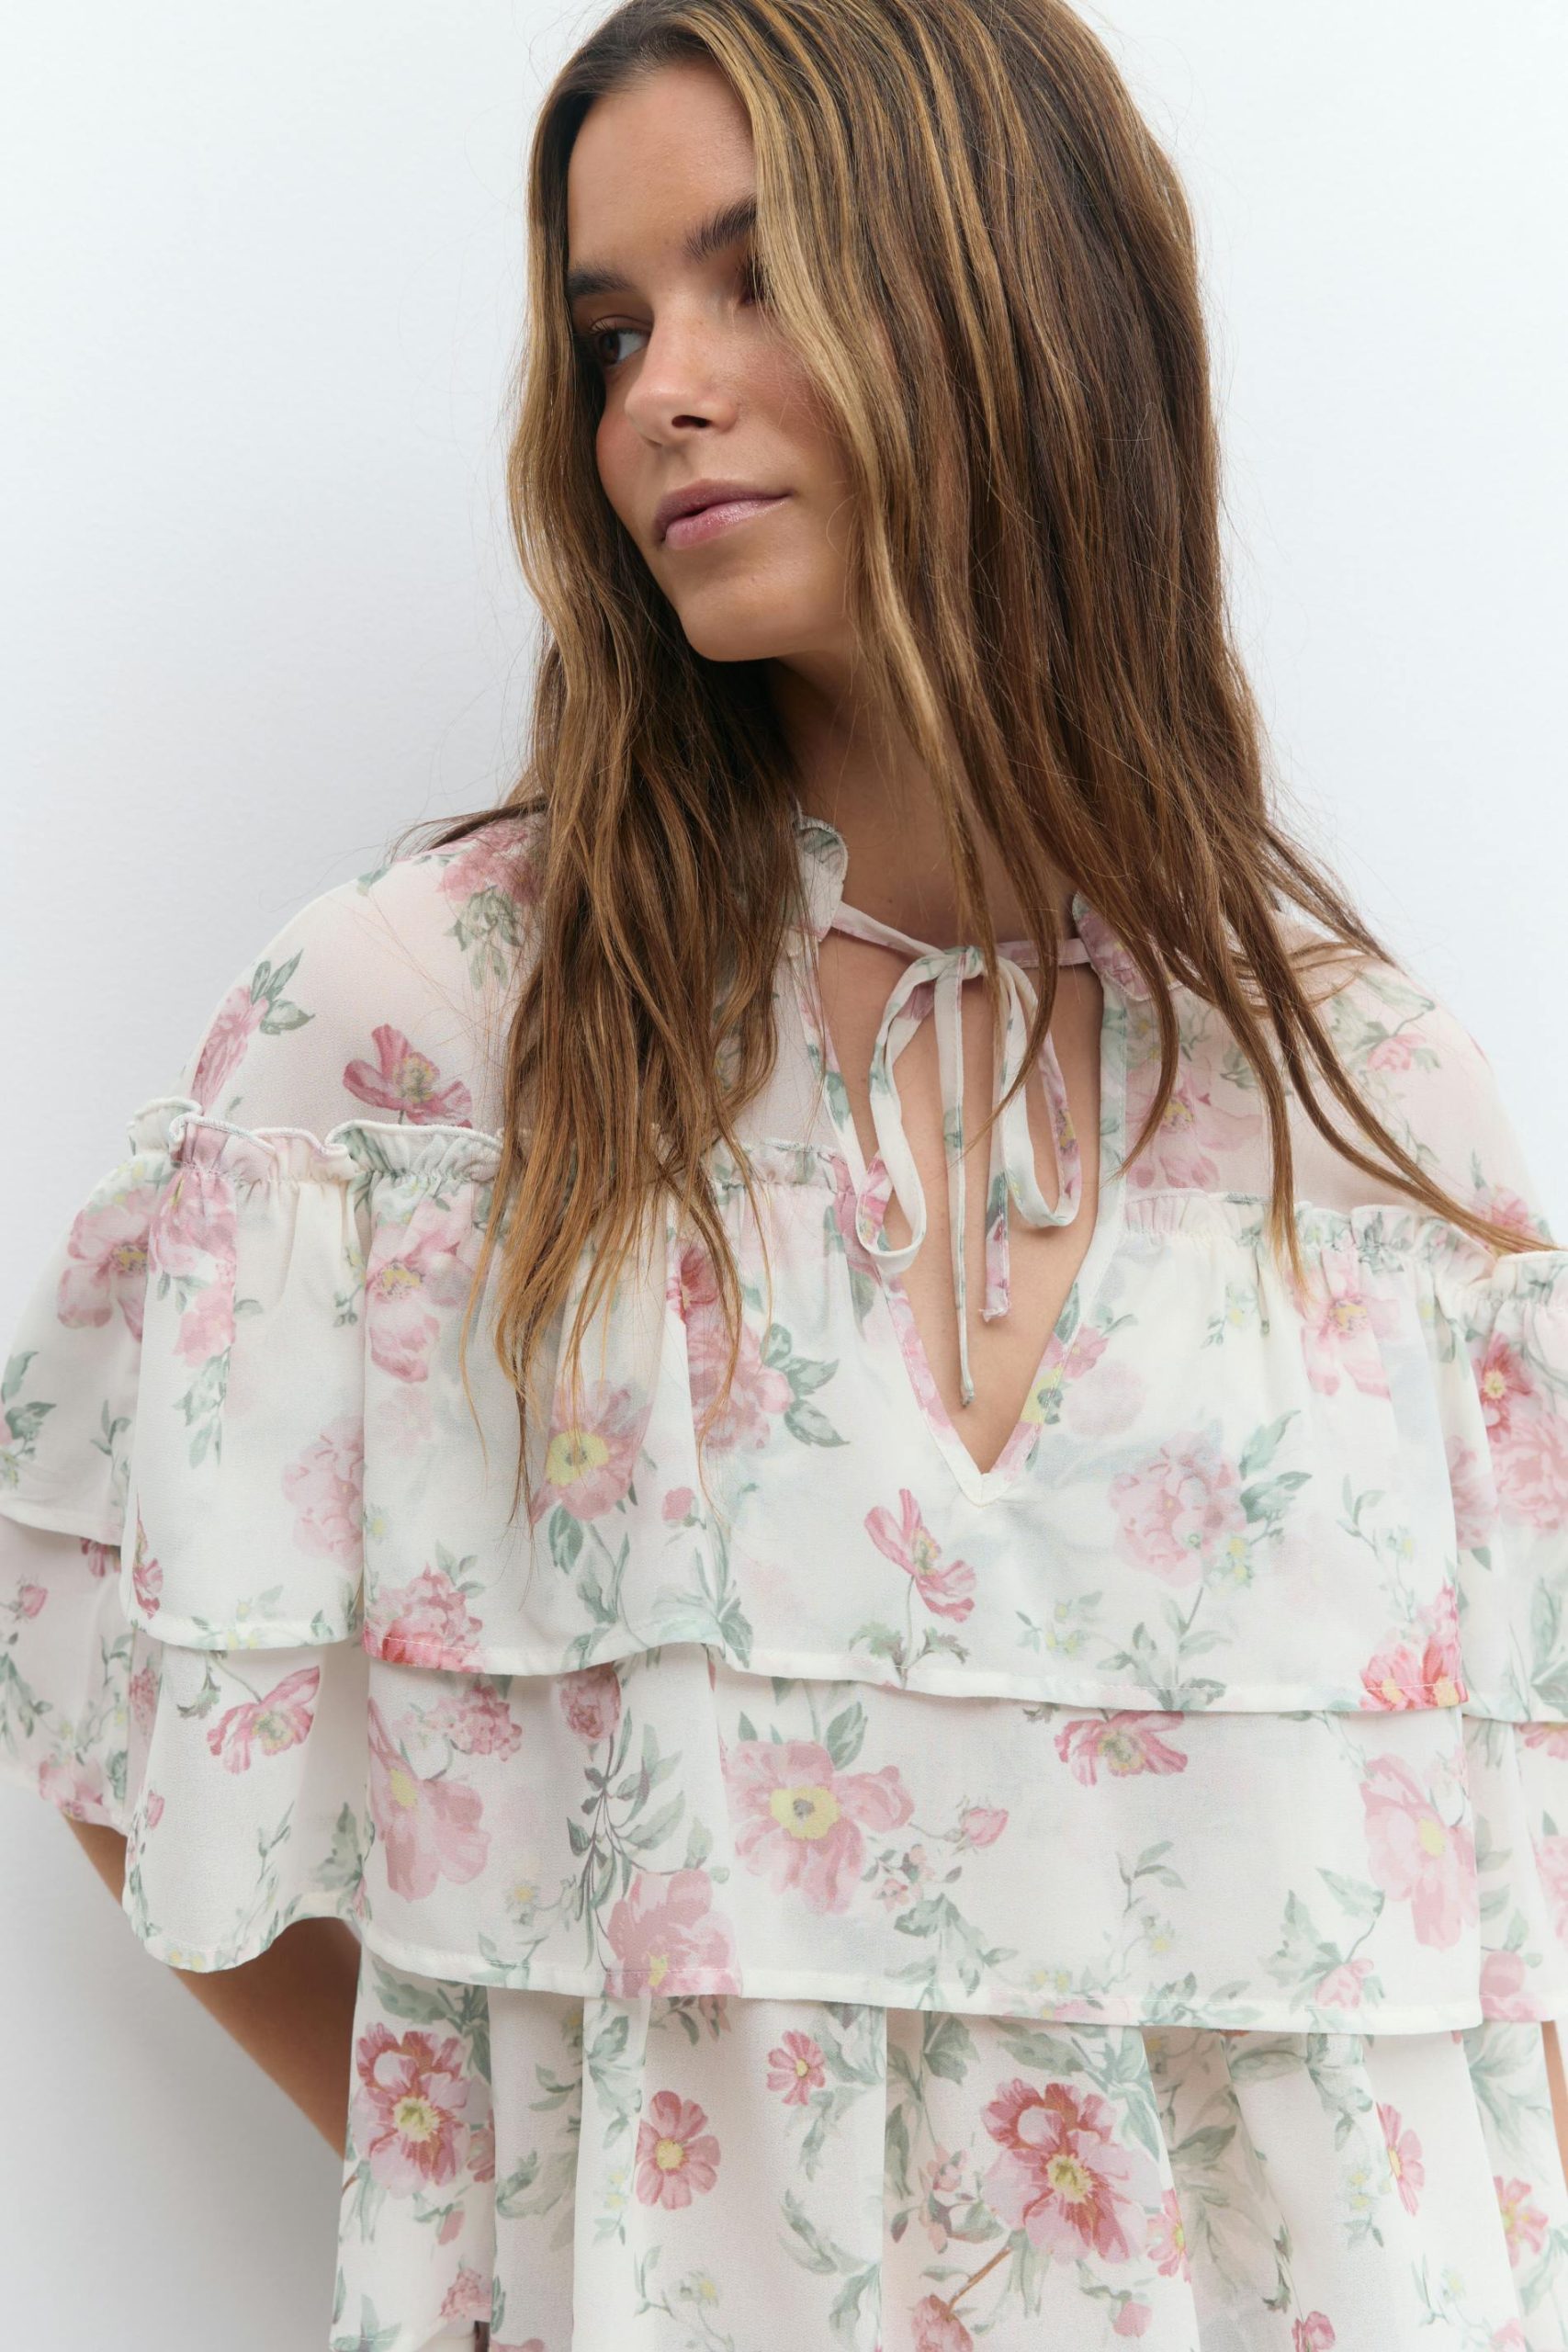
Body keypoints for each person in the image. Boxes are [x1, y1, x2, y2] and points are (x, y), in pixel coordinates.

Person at [4, 0, 1566, 2345]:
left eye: (756, 276)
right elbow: (97, 1662)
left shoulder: (1360, 1103)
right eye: (609, 328)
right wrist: (520, 2199)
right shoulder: (429, 1035)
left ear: (1019, 300)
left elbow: (1516, 1942)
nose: (659, 390)